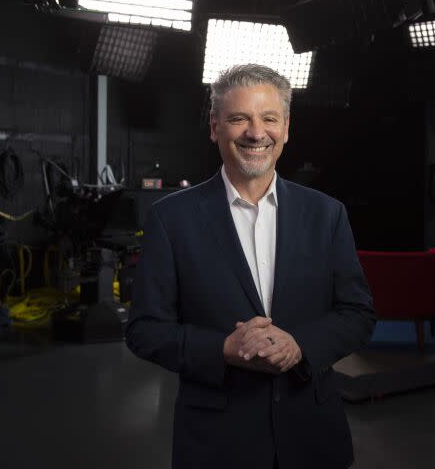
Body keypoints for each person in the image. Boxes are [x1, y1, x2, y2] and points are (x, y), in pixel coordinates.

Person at [125, 64, 376, 469]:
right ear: (214, 127)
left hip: (313, 440)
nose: (256, 132)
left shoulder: (327, 215)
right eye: (239, 118)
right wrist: (222, 349)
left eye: (269, 118)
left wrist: (300, 345)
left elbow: (359, 314)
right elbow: (143, 330)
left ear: (286, 127)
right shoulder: (171, 219)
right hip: (216, 444)